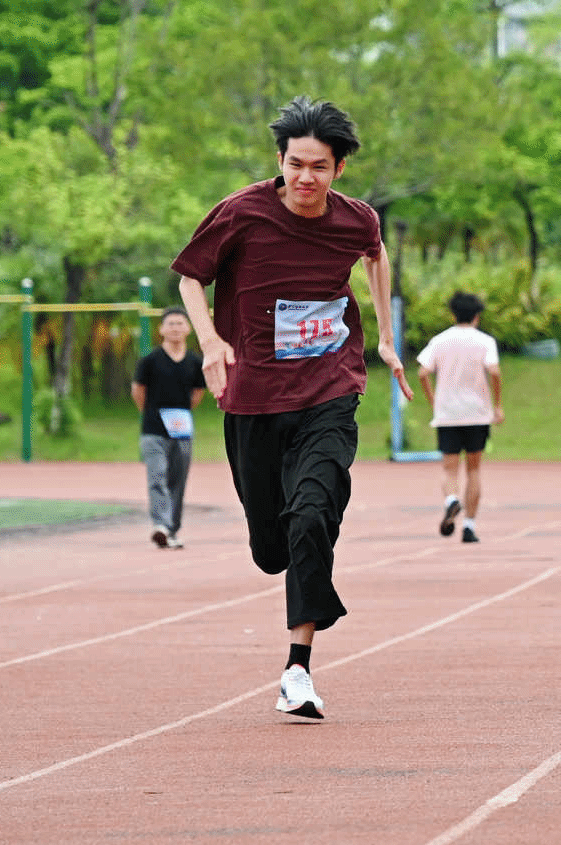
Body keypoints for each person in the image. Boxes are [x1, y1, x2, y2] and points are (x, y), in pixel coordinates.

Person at [173, 96, 412, 722]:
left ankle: (297, 669)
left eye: (319, 167)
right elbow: (190, 278)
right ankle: (286, 557)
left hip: (330, 388)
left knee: (312, 514)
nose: (306, 177)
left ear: (339, 169)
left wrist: (386, 338)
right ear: (280, 161)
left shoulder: (357, 220)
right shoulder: (242, 213)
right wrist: (210, 342)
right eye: (296, 164)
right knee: (272, 549)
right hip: (253, 398)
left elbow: (376, 254)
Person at [416, 291, 503, 543]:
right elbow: (494, 371)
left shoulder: (439, 340)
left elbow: (423, 373)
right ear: (477, 316)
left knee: (449, 468)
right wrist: (497, 404)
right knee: (474, 469)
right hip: (476, 413)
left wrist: (433, 400)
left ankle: (451, 500)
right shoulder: (485, 341)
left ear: (454, 315)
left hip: (448, 414)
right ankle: (469, 527)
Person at [131, 307, 205, 549]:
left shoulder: (195, 361)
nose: (175, 328)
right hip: (153, 431)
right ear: (161, 329)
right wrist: (151, 414)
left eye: (180, 323)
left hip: (182, 431)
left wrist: (181, 414)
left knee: (178, 481)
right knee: (157, 476)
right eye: (170, 323)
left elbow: (198, 392)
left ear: (188, 328)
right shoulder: (150, 361)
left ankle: (171, 530)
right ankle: (160, 525)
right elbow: (138, 391)